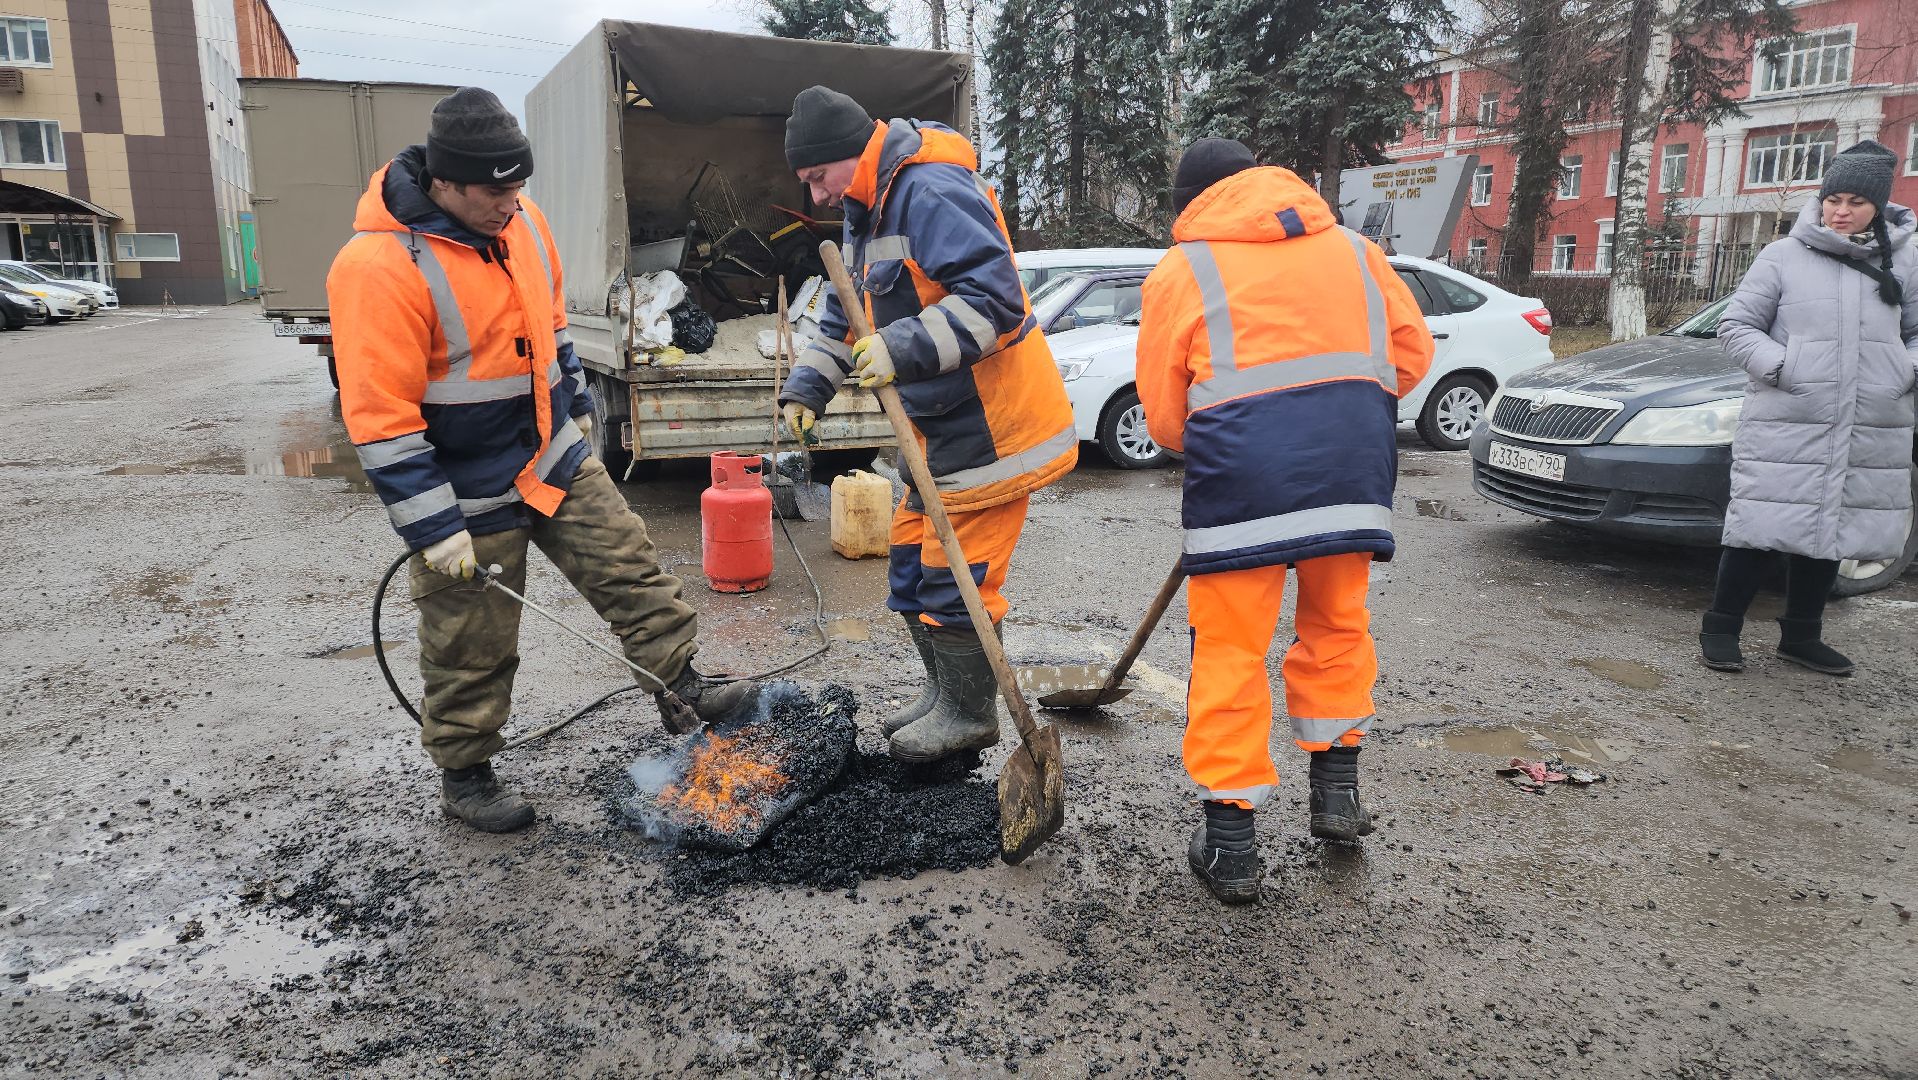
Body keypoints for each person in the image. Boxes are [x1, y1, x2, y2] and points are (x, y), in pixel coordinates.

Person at [327, 88, 756, 833]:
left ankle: (682, 686)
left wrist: (578, 412)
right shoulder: (378, 267)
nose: (511, 203)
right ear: (446, 183)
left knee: (629, 567)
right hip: (463, 490)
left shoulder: (524, 222)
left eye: (518, 186)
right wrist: (434, 527)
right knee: (470, 640)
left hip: (547, 454)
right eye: (496, 190)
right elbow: (381, 418)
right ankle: (466, 774)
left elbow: (549, 320)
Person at [1135, 139, 1434, 904]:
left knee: (1230, 652)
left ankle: (1231, 846)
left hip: (1242, 484)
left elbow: (1167, 418)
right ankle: (1337, 797)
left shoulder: (1186, 267)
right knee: (1338, 626)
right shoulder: (1358, 252)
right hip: (1352, 472)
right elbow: (1411, 358)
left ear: (1191, 203)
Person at [776, 86, 1077, 764]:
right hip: (935, 436)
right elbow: (843, 318)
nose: (818, 196)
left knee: (954, 577)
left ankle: (969, 715)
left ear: (846, 156)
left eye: (817, 178)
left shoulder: (930, 190)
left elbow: (996, 301)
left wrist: (902, 345)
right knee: (911, 569)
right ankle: (944, 696)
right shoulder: (867, 209)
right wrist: (806, 391)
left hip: (990, 432)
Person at [1702, 139, 1918, 677]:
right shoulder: (1783, 256)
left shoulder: (1908, 261)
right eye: (1833, 198)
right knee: (1758, 527)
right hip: (1789, 416)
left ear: (1879, 206)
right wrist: (1785, 368)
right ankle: (1721, 628)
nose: (1840, 211)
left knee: (1831, 533)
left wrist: (1903, 373)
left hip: (1868, 421)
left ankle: (1801, 636)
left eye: (1856, 202)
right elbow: (1736, 326)